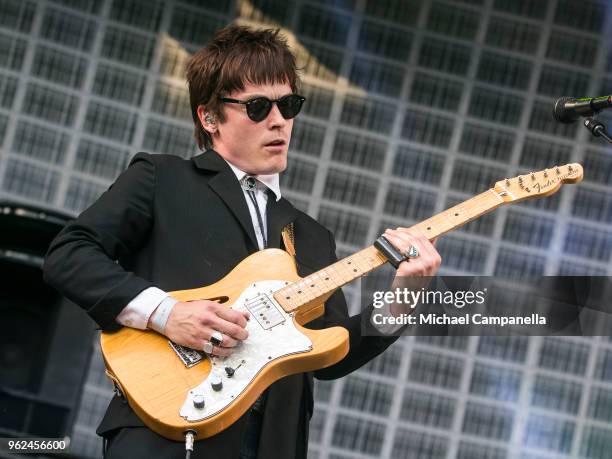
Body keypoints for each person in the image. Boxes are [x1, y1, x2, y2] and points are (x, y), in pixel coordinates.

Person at [43, 24, 441, 459]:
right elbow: (69, 253)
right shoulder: (164, 178)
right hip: (169, 435)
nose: (279, 121)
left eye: (288, 105)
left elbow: (333, 351)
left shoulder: (311, 235)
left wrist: (404, 295)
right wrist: (167, 314)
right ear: (209, 117)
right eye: (257, 107)